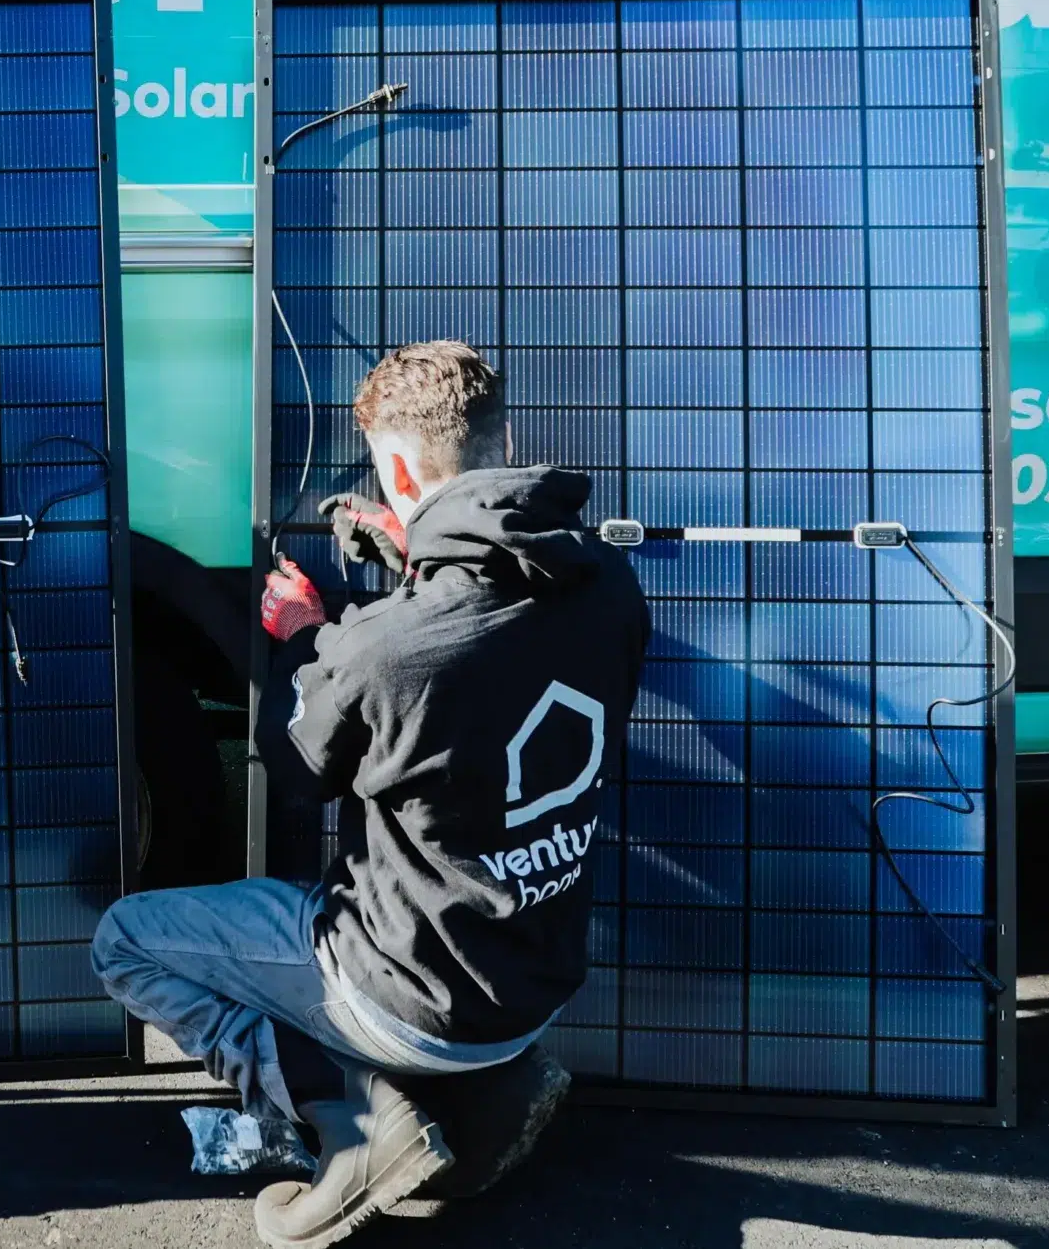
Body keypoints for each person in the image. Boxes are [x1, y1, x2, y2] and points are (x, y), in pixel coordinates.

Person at [93, 340, 648, 1248]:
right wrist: (413, 557)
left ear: (392, 465)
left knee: (126, 943)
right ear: (501, 438)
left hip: (406, 993)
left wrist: (306, 641)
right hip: (534, 981)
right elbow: (482, 657)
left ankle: (353, 1121)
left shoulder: (382, 649)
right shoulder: (609, 589)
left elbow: (300, 764)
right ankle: (484, 1089)